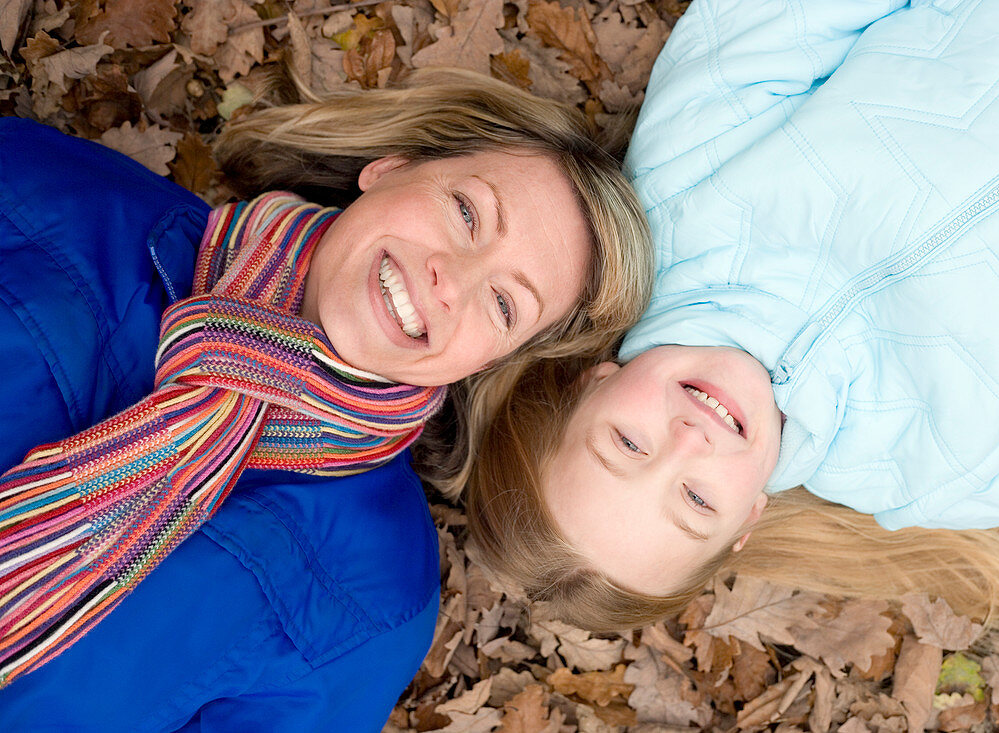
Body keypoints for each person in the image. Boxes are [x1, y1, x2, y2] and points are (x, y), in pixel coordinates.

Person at [0, 68, 652, 728]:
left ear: (491, 360)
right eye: (466, 212)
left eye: (505, 303)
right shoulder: (53, 197)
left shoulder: (372, 601)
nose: (450, 280)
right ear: (391, 168)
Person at [463, 0, 999, 632]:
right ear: (747, 522)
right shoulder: (926, 473)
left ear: (591, 383)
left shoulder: (673, 197)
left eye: (628, 443)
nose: (688, 440)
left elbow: (783, 18)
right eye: (696, 499)